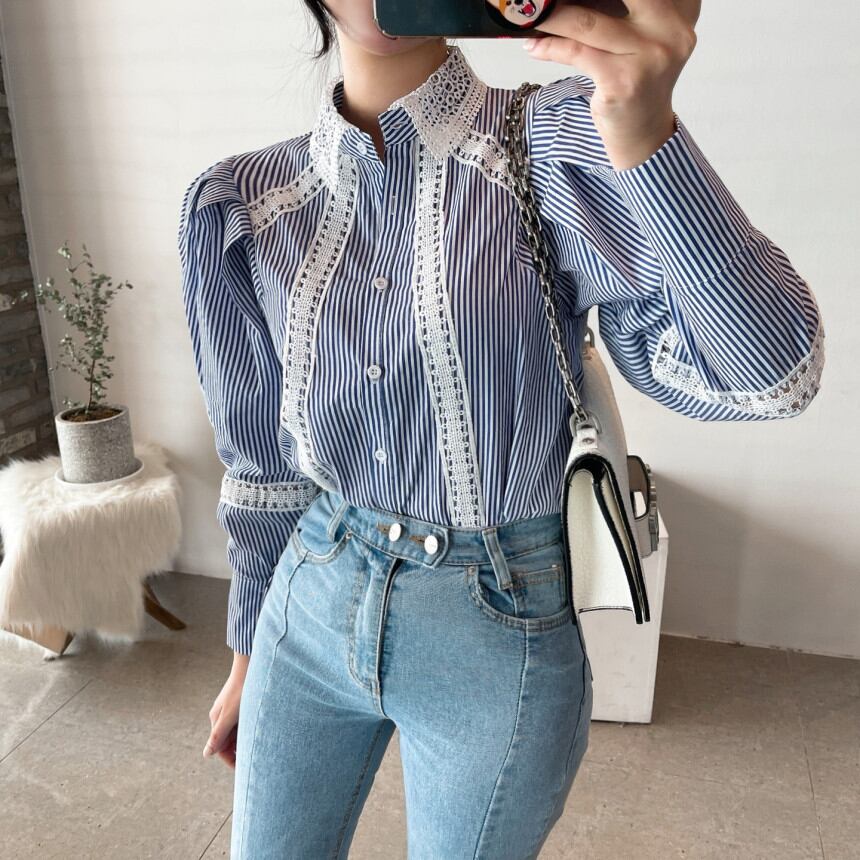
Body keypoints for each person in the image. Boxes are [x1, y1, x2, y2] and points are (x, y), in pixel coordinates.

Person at [176, 1, 825, 857]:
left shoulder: (553, 144)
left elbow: (774, 380)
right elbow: (262, 471)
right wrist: (247, 657)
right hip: (310, 600)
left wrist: (647, 131)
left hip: (496, 625)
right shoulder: (243, 203)